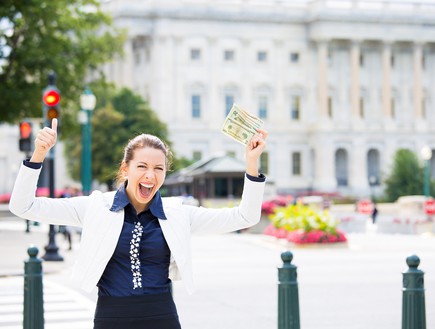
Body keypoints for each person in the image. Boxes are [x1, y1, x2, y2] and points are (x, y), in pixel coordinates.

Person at [9, 118, 268, 329]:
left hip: (161, 316)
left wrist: (252, 162)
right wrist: (39, 154)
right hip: (111, 317)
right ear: (125, 168)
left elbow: (245, 217)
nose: (149, 175)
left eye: (159, 168)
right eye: (142, 166)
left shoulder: (177, 213)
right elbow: (23, 206)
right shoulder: (96, 207)